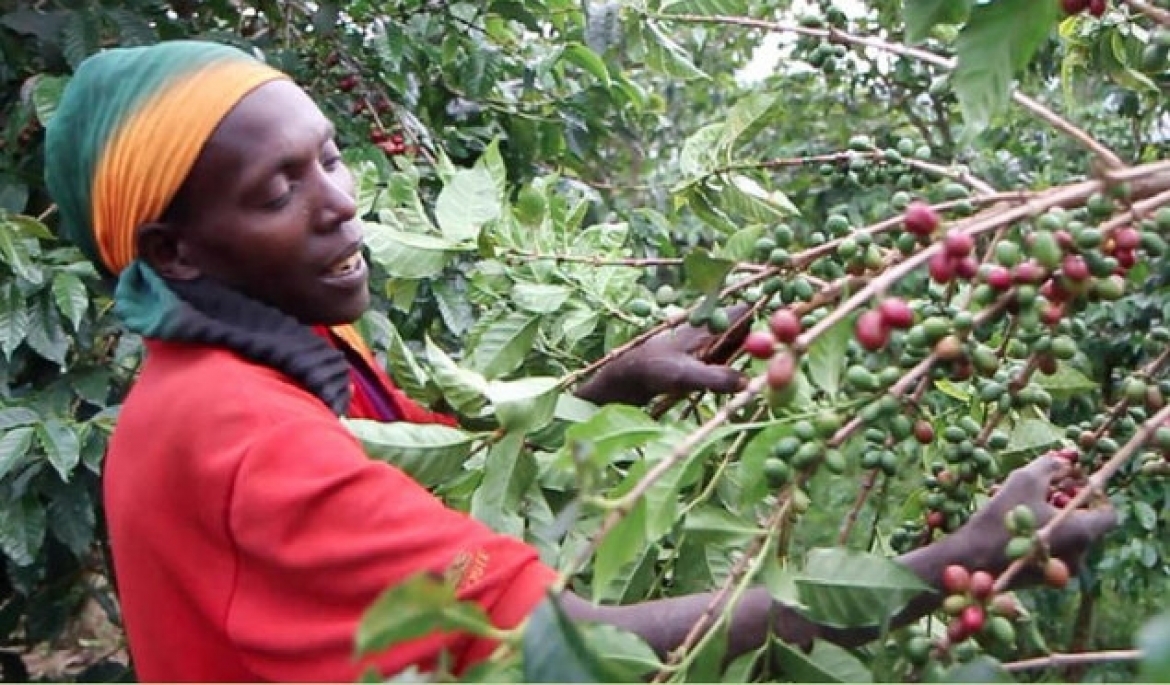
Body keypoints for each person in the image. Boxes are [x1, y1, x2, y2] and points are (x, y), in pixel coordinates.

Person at [43, 40, 1116, 682]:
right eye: (277, 190)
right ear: (175, 249)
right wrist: (946, 566)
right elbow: (570, 648)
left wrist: (610, 382)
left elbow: (423, 474)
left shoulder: (272, 357)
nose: (341, 199)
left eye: (329, 155)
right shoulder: (242, 437)